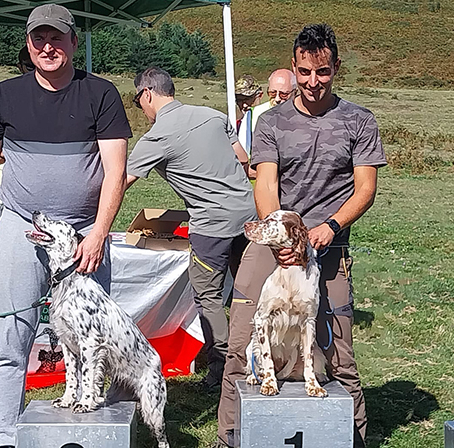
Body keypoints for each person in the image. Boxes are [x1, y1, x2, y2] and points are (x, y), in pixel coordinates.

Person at [0, 5, 131, 447]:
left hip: (83, 235)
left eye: (57, 39)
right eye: (39, 40)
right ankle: (0, 440)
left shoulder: (101, 94)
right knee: (10, 343)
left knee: (95, 342)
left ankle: (95, 435)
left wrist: (97, 233)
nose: (48, 47)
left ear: (74, 42)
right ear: (29, 45)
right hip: (20, 227)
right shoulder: (5, 96)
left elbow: (116, 172)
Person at [216, 24, 384, 448]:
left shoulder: (358, 120)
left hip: (329, 244)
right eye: (305, 72)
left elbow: (365, 187)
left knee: (339, 352)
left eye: (323, 72)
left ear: (336, 68)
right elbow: (266, 182)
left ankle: (352, 438)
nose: (313, 82)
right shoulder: (271, 121)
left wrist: (328, 228)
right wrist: (282, 239)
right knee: (242, 343)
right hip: (275, 241)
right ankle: (233, 436)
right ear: (294, 68)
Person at [125, 66, 257, 391]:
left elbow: (121, 183)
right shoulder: (214, 116)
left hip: (211, 226)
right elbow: (243, 160)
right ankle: (257, 357)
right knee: (248, 291)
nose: (141, 109)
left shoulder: (156, 137)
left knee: (209, 296)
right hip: (249, 214)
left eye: (138, 100)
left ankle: (224, 367)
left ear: (147, 94)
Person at [234, 74, 262, 156]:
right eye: (239, 100)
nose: (244, 105)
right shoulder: (236, 126)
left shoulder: (269, 123)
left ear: (259, 96)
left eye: (247, 99)